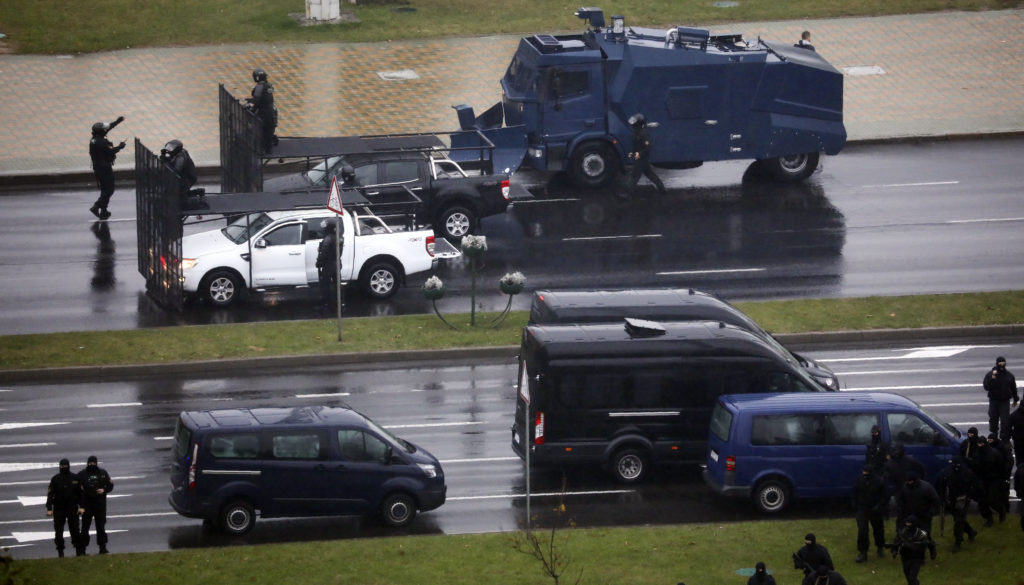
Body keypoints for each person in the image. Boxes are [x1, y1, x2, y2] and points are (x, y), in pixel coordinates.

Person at [934, 456, 979, 551]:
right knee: (958, 519)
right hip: (951, 499)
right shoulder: (947, 472)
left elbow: (976, 485)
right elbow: (940, 484)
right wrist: (941, 497)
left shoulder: (967, 473)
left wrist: (970, 495)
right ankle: (971, 532)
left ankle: (958, 541)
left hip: (962, 498)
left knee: (959, 521)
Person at [89, 116, 127, 220]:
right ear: (102, 132)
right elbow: (111, 151)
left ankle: (104, 211)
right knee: (109, 189)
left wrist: (117, 121)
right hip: (104, 168)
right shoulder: (102, 142)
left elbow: (109, 127)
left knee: (104, 189)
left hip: (98, 167)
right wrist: (121, 146)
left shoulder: (95, 139)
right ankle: (96, 206)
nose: (106, 130)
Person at [45, 458, 84, 557]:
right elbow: (50, 494)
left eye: (65, 466)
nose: (63, 468)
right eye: (62, 466)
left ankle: (78, 551)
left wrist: (82, 507)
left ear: (69, 466)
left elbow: (81, 495)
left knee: (75, 530)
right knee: (58, 532)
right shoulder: (55, 479)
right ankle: (60, 552)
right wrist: (49, 508)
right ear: (59, 467)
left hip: (72, 508)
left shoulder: (75, 478)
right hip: (59, 508)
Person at [78, 455, 114, 554]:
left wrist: (104, 490)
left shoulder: (103, 473)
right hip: (87, 504)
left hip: (100, 504)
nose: (92, 465)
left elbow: (110, 485)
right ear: (87, 463)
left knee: (101, 526)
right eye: (90, 463)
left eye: (93, 463)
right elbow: (76, 489)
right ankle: (82, 548)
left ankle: (102, 547)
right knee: (85, 527)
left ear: (96, 463)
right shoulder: (82, 474)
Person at [853, 464, 887, 562]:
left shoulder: (879, 481)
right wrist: (855, 503)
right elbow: (855, 491)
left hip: (875, 509)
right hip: (863, 508)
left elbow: (884, 496)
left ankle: (880, 547)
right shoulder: (860, 480)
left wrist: (879, 506)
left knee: (878, 529)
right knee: (862, 530)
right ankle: (863, 552)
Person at [889, 515, 936, 585]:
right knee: (908, 578)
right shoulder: (902, 532)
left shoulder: (921, 534)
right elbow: (896, 542)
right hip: (905, 558)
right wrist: (894, 551)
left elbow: (930, 544)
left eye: (909, 524)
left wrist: (933, 553)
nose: (908, 525)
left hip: (917, 558)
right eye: (907, 523)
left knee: (912, 578)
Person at [626, 113, 666, 196]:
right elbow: (637, 146)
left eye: (634, 124)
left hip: (641, 159)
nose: (632, 125)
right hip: (642, 158)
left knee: (634, 176)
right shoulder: (638, 132)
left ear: (637, 124)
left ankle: (628, 195)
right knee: (650, 174)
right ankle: (662, 190)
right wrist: (632, 153)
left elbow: (648, 147)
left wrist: (639, 154)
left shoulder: (643, 134)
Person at [895, 470, 940, 537]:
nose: (909, 483)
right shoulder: (905, 487)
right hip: (909, 515)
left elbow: (935, 500)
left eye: (911, 481)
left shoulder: (927, 487)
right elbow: (900, 500)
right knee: (905, 533)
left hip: (923, 515)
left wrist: (931, 512)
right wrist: (901, 511)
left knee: (924, 534)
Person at [983, 356, 1018, 441]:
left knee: (1005, 421)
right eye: (1000, 364)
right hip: (994, 400)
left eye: (1003, 363)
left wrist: (1015, 399)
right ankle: (993, 436)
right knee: (993, 419)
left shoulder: (1009, 376)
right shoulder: (990, 374)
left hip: (1004, 401)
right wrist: (993, 378)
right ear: (997, 364)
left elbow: (1013, 387)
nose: (1002, 365)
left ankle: (1004, 439)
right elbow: (986, 387)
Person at [160, 139, 201, 209]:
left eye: (171, 148)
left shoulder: (181, 158)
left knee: (180, 194)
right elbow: (172, 161)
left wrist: (165, 161)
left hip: (187, 179)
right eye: (168, 147)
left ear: (176, 149)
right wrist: (164, 157)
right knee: (175, 191)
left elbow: (175, 171)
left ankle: (188, 203)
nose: (169, 150)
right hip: (183, 176)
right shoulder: (177, 154)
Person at [246, 67, 278, 154]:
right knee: (269, 131)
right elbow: (265, 98)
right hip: (271, 112)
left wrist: (250, 104)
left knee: (261, 130)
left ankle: (262, 151)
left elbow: (256, 99)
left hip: (263, 113)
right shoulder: (269, 86)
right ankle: (268, 149)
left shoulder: (260, 87)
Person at [986, 432, 1013, 515]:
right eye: (989, 440)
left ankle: (1006, 508)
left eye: (991, 440)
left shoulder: (1003, 448)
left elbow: (1009, 461)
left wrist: (1005, 472)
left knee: (1004, 493)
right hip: (995, 474)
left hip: (1003, 474)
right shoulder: (991, 447)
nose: (990, 442)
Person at [315, 220, 340, 307]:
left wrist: (319, 261)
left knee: (325, 285)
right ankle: (339, 303)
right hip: (337, 264)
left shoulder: (328, 239)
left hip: (328, 265)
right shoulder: (338, 238)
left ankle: (326, 303)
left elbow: (324, 253)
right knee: (337, 285)